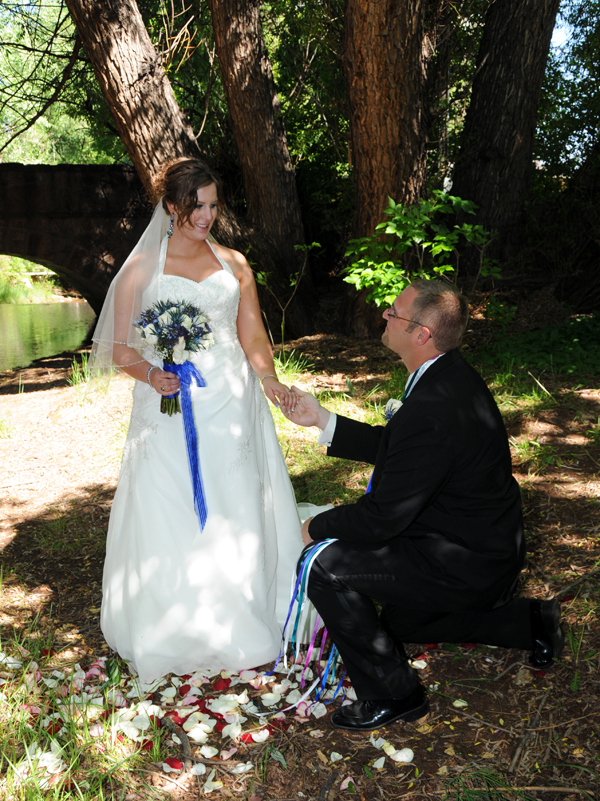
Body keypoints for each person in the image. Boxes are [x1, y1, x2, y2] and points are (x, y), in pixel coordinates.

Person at [280, 279, 564, 731]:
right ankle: (529, 622)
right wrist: (323, 420)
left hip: (469, 559)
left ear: (421, 335)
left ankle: (393, 695)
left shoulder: (434, 406)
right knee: (397, 620)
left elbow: (382, 518)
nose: (385, 316)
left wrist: (315, 526)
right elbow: (405, 450)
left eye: (394, 313)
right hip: (476, 543)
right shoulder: (447, 377)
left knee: (325, 566)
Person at [90, 157, 305, 683]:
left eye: (213, 205)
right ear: (171, 207)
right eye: (196, 207)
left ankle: (242, 611)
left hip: (232, 400)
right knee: (171, 503)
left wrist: (270, 379)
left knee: (235, 498)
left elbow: (252, 333)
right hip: (168, 406)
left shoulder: (234, 263)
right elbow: (119, 349)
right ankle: (173, 620)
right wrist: (151, 374)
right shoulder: (143, 269)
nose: (208, 215)